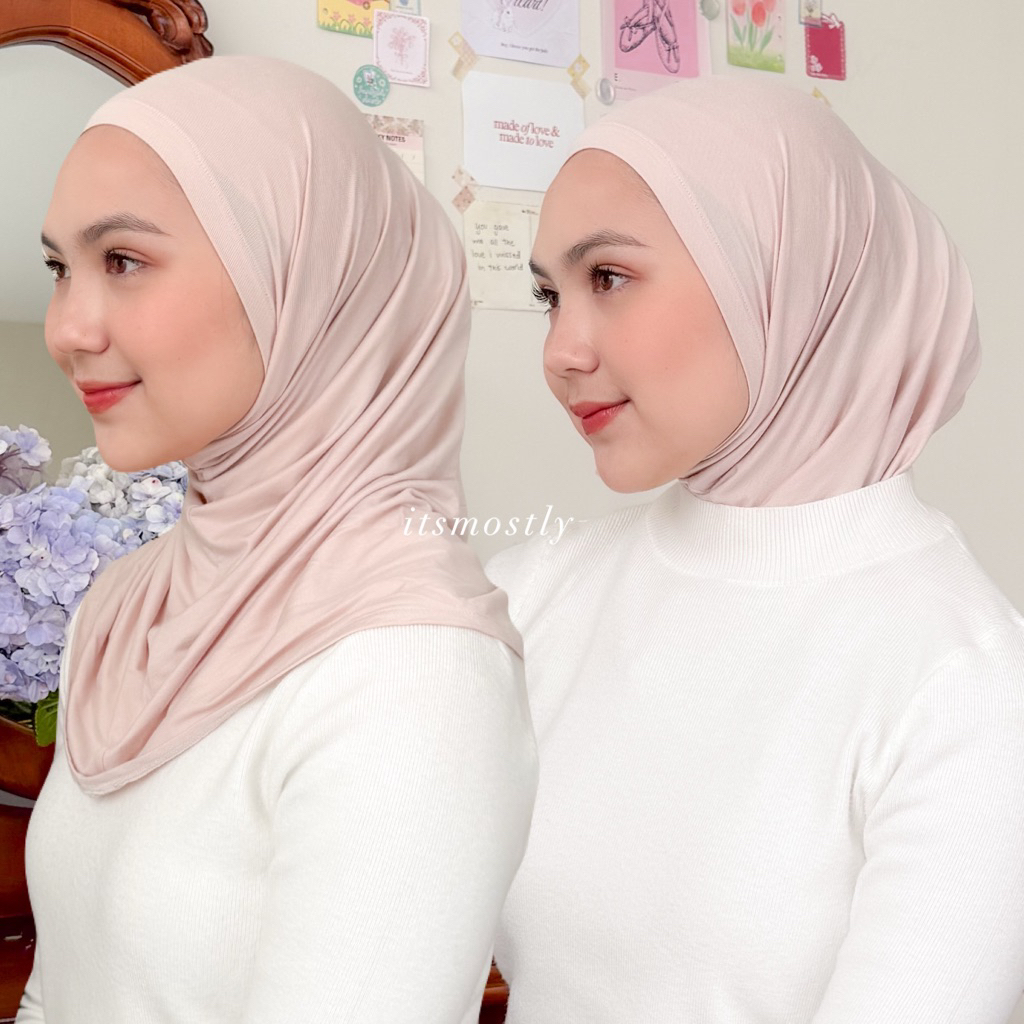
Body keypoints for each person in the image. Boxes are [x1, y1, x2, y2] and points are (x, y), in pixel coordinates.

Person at [489, 77, 1024, 1022]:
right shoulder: (528, 597)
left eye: (607, 278)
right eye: (548, 295)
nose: (561, 351)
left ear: (782, 274)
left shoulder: (965, 685)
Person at [19, 55, 536, 1024]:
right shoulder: (122, 606)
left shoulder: (412, 665)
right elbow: (62, 992)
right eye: (60, 269)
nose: (68, 329)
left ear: (303, 277)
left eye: (122, 260)